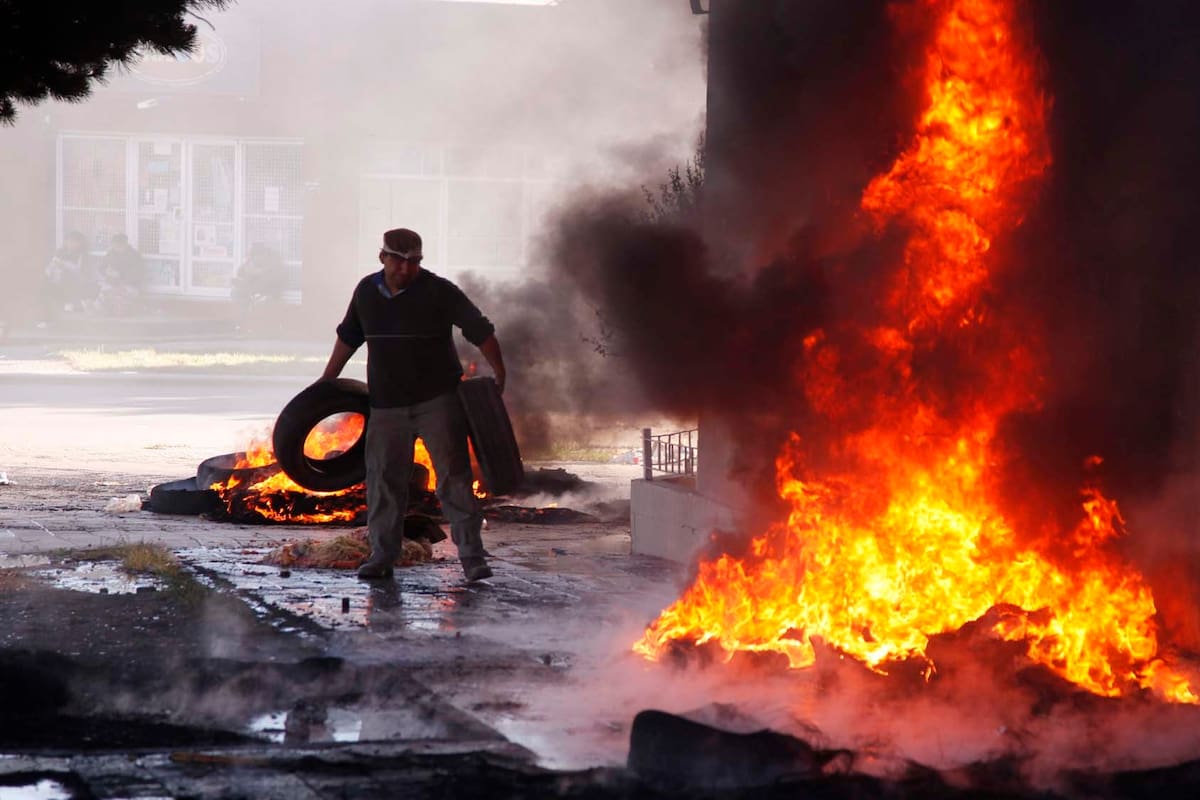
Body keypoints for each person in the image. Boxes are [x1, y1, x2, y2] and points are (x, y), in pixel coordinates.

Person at [319, 227, 507, 582]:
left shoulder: (439, 291)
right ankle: (382, 557)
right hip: (387, 406)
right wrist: (327, 381)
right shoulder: (365, 293)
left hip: (438, 401)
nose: (406, 270)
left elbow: (479, 329)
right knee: (384, 481)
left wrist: (499, 370)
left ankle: (471, 557)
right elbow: (348, 337)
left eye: (413, 262)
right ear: (382, 257)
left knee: (453, 479)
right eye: (398, 261)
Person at [42, 231, 98, 316]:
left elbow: (84, 274)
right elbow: (50, 268)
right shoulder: (59, 254)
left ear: (81, 243)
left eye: (74, 241)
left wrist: (65, 266)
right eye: (68, 241)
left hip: (77, 285)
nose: (70, 244)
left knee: (68, 277)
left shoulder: (84, 257)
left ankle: (71, 305)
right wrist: (47, 274)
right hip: (57, 282)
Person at [96, 234, 144, 315]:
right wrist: (106, 271)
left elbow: (138, 273)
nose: (117, 247)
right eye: (115, 244)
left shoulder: (134, 255)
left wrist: (120, 275)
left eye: (120, 244)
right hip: (111, 283)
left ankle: (120, 312)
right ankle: (101, 311)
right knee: (102, 294)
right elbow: (101, 268)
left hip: (129, 285)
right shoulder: (110, 254)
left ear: (125, 244)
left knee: (122, 296)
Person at [231, 243, 287, 312]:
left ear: (263, 254)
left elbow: (269, 283)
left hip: (269, 294)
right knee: (236, 292)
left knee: (260, 302)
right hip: (253, 293)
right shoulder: (252, 262)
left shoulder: (274, 265)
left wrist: (258, 273)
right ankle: (245, 313)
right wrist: (247, 273)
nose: (252, 259)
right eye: (252, 257)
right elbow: (240, 273)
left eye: (254, 256)